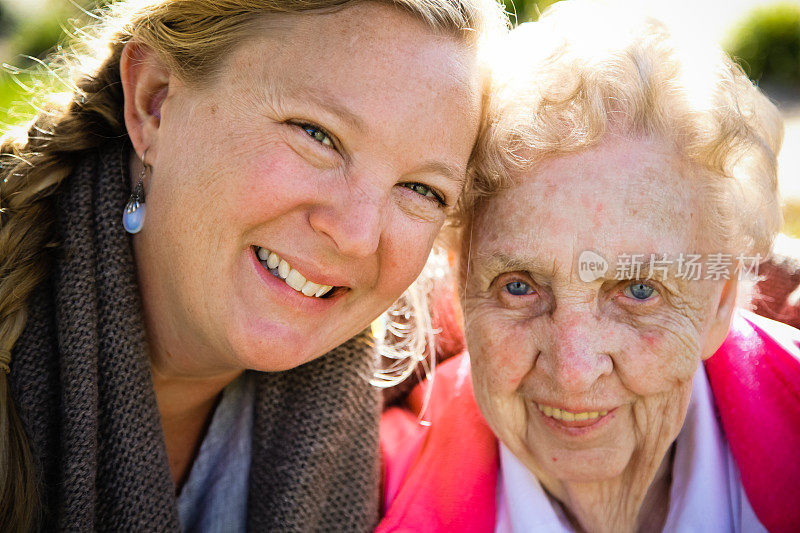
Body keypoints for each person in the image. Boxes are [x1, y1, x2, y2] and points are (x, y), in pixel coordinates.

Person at [0, 0, 508, 530]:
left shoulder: (442, 410)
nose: (357, 237)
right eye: (317, 135)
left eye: (422, 189)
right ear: (154, 101)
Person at [379, 2, 800, 532]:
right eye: (518, 286)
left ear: (718, 300)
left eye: (639, 290)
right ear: (460, 286)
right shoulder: (371, 490)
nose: (574, 373)